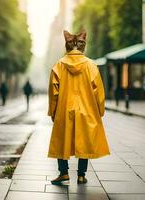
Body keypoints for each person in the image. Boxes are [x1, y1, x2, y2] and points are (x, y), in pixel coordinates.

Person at [48, 29, 110, 185]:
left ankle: (63, 173)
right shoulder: (91, 66)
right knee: (85, 141)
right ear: (84, 45)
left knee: (61, 141)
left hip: (64, 110)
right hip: (87, 110)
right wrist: (99, 111)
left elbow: (53, 92)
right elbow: (99, 92)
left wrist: (53, 111)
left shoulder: (59, 66)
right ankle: (81, 175)